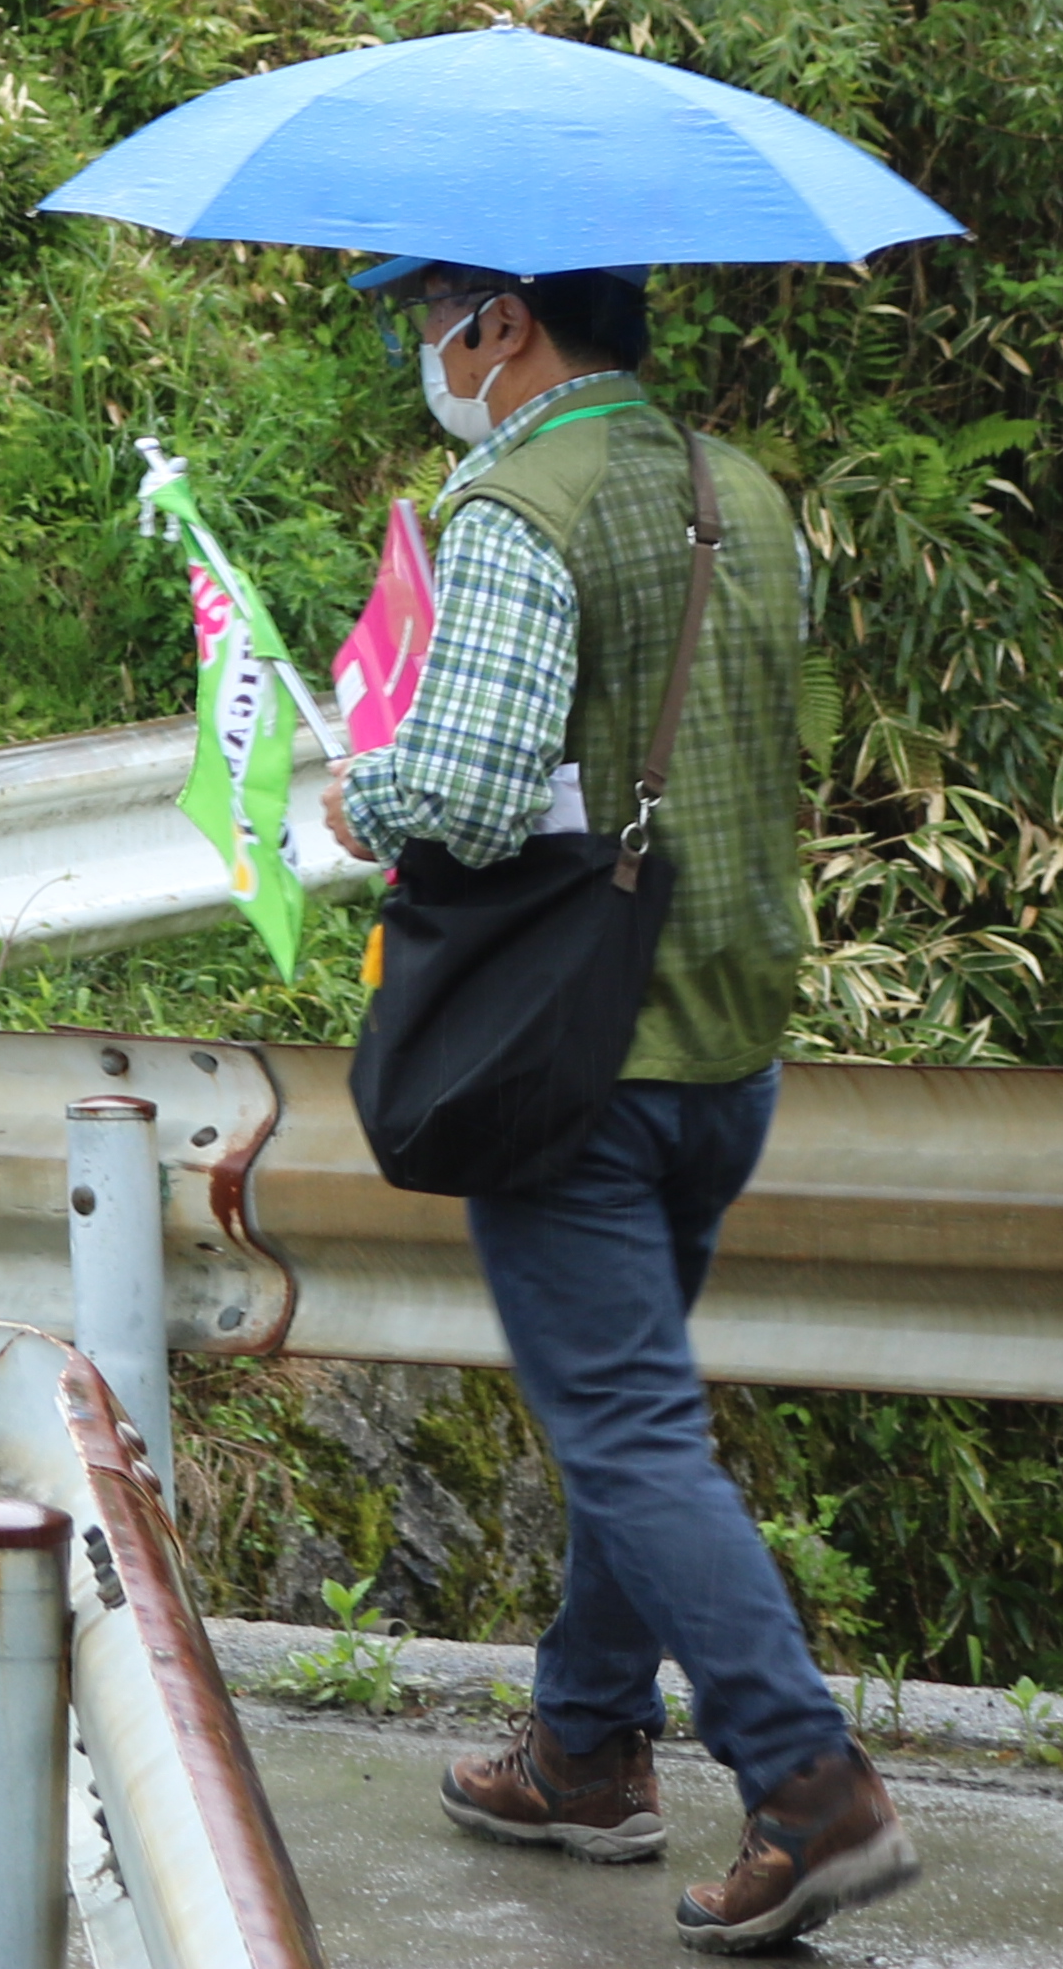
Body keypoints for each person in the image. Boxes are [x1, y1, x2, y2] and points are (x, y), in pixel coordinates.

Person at [325, 262, 914, 1954]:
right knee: (628, 1410)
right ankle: (585, 1749)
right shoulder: (743, 493)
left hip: (574, 1053)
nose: (422, 351)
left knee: (635, 1433)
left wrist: (372, 789)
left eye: (429, 315)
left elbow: (479, 788)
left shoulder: (521, 505)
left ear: (504, 322)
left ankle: (811, 1788)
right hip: (731, 1037)